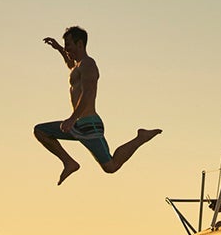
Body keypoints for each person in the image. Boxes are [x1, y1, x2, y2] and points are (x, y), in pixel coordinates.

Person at [34, 25, 161, 184]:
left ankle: (141, 137)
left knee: (111, 166)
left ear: (80, 44)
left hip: (89, 125)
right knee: (40, 131)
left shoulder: (88, 64)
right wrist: (59, 48)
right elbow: (70, 63)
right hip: (78, 124)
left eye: (69, 46)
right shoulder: (77, 66)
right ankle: (69, 163)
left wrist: (72, 118)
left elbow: (88, 93)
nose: (67, 50)